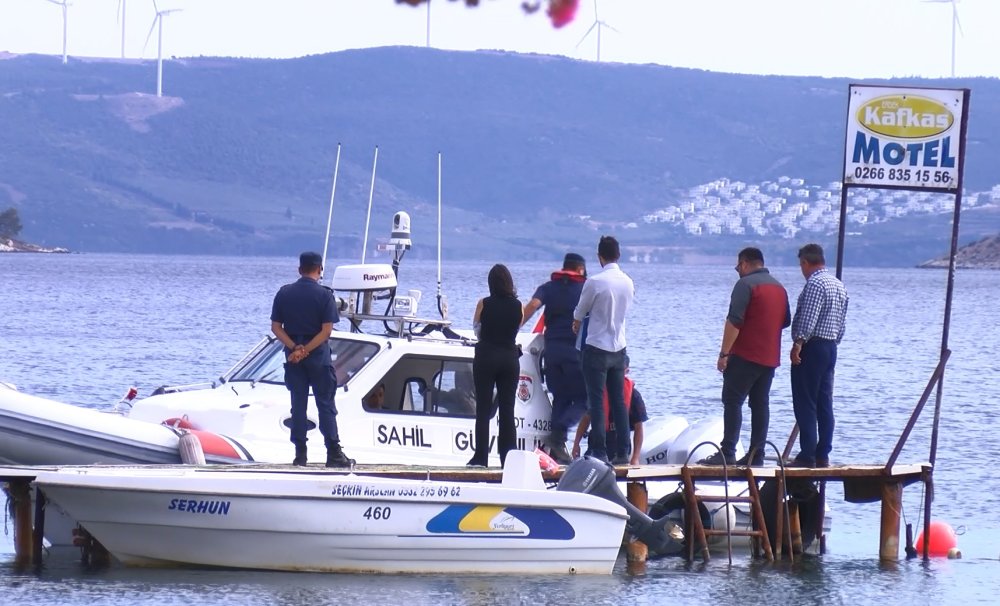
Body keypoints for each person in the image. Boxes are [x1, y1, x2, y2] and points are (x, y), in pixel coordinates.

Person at [699, 247, 790, 467]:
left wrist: (724, 353)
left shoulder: (745, 285)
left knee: (733, 401)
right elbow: (786, 320)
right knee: (760, 404)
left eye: (738, 266)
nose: (738, 271)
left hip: (745, 354)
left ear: (745, 263)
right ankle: (756, 455)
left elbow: (734, 321)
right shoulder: (779, 288)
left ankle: (728, 451)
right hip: (769, 357)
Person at [270, 251, 353, 468]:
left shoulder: (284, 293)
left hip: (293, 357)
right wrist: (306, 349)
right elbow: (326, 332)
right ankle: (334, 454)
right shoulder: (325, 295)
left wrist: (295, 349)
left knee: (298, 404)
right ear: (320, 270)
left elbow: (276, 328)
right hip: (318, 357)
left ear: (300, 269)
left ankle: (300, 454)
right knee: (325, 404)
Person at [520, 252, 588, 464]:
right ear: (581, 270)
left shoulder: (549, 287)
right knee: (587, 400)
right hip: (574, 354)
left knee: (561, 397)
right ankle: (558, 436)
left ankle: (555, 448)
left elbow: (532, 306)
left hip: (551, 354)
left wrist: (514, 327)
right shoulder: (585, 289)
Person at [572, 236, 635, 464]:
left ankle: (599, 450)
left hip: (596, 347)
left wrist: (576, 323)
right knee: (618, 400)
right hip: (619, 347)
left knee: (596, 401)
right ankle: (623, 451)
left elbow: (580, 311)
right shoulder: (628, 282)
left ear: (600, 257)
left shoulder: (595, 282)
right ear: (618, 254)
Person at [789, 243, 849, 468]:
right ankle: (823, 452)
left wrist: (798, 343)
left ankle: (807, 454)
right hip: (831, 346)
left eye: (801, 265)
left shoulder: (815, 283)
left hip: (812, 347)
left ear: (805, 262)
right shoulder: (838, 285)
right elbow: (842, 323)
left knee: (805, 401)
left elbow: (809, 318)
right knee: (825, 402)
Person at [468, 264, 523, 467]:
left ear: (490, 283)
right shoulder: (518, 306)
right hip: (509, 359)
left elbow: (477, 330)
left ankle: (480, 457)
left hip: (486, 357)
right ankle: (507, 459)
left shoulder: (483, 303)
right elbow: (516, 328)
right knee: (507, 410)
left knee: (483, 409)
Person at [572, 357, 648, 465]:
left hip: (619, 446)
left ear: (627, 371)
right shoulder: (599, 391)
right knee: (586, 465)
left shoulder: (634, 395)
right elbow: (586, 418)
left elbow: (639, 428)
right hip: (596, 444)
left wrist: (635, 457)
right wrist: (576, 444)